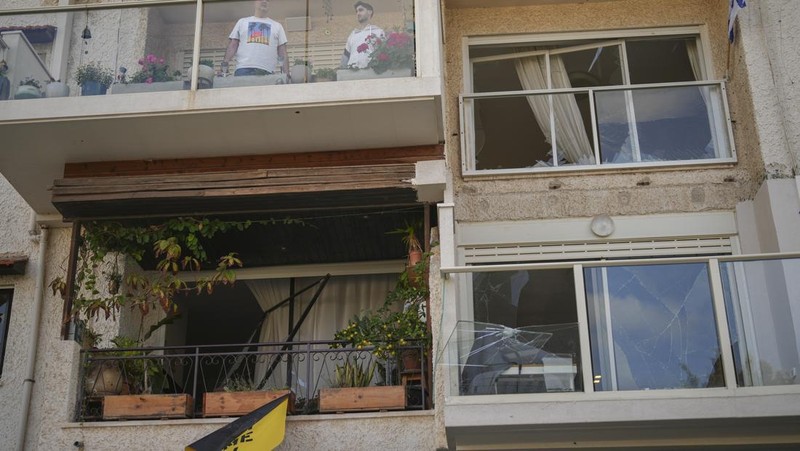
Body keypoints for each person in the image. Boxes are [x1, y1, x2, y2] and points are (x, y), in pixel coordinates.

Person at [222, 0, 289, 78]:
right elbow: (233, 45)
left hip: (267, 70)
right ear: (254, 2)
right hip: (243, 69)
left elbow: (282, 52)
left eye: (267, 0)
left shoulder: (277, 26)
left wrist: (287, 74)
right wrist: (224, 66)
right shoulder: (242, 22)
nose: (264, 1)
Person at [340, 1, 385, 69]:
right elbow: (346, 56)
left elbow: (384, 53)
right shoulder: (353, 35)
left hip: (371, 72)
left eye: (361, 10)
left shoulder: (378, 32)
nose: (358, 13)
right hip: (352, 74)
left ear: (369, 12)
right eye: (356, 11)